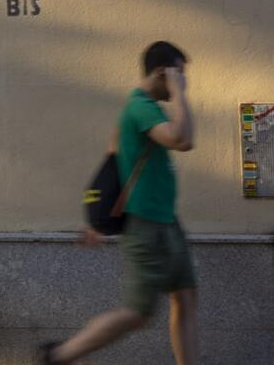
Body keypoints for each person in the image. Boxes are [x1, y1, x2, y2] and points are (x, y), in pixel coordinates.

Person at [44, 41, 198, 364]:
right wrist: (181, 93)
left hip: (166, 221)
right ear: (162, 72)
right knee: (137, 313)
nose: (182, 81)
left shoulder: (145, 109)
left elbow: (112, 164)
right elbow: (182, 140)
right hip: (144, 225)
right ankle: (60, 354)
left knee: (184, 298)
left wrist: (96, 219)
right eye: (178, 74)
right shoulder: (140, 106)